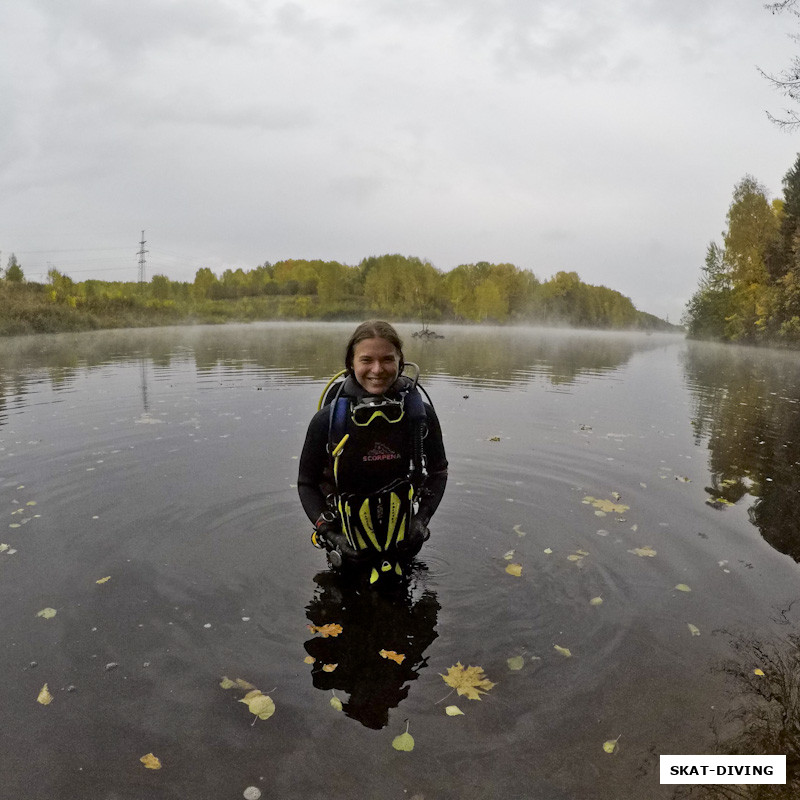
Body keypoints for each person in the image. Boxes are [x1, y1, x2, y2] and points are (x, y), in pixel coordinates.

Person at [298, 320, 447, 582]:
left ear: (401, 363)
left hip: (404, 540)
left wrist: (421, 521)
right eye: (366, 360)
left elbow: (439, 471)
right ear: (351, 363)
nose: (377, 370)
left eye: (387, 359)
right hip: (347, 543)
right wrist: (332, 535)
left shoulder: (420, 417)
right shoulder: (328, 420)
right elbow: (306, 483)